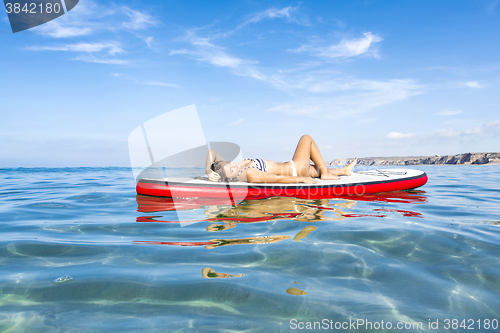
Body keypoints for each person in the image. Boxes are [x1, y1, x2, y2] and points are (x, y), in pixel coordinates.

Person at [205, 134, 357, 184]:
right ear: (229, 178)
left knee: (314, 168)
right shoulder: (249, 173)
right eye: (231, 169)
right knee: (306, 138)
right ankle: (325, 173)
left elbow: (212, 152)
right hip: (295, 171)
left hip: (294, 167)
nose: (233, 165)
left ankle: (344, 170)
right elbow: (276, 179)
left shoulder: (236, 168)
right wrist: (301, 180)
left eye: (229, 162)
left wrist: (207, 169)